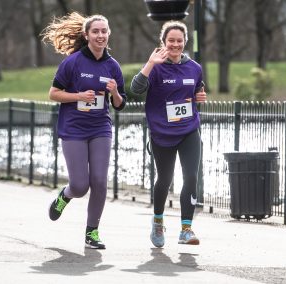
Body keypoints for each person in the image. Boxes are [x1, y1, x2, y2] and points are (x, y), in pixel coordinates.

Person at [42, 12, 127, 249]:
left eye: (104, 31)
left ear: (109, 34)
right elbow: (53, 94)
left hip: (100, 127)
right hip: (74, 128)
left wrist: (115, 93)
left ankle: (92, 233)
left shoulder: (113, 66)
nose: (100, 35)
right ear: (86, 35)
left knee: (99, 182)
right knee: (80, 185)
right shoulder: (73, 62)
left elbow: (120, 105)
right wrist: (78, 96)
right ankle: (64, 196)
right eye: (95, 31)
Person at [130, 21, 207, 247]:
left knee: (191, 176)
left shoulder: (194, 68)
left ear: (185, 43)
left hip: (189, 130)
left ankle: (186, 229)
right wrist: (150, 64)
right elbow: (135, 89)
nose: (175, 44)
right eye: (171, 40)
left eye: (179, 41)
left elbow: (195, 93)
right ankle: (157, 222)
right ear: (163, 42)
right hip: (162, 133)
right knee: (165, 179)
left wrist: (200, 98)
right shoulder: (155, 66)